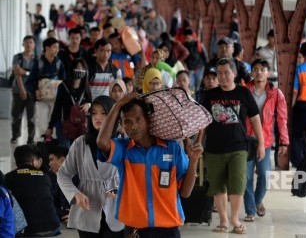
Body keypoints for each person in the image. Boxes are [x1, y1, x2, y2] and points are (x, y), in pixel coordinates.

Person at [96, 93, 203, 237]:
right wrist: (117, 105)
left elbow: (185, 192)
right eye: (127, 121)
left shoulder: (172, 148)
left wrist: (194, 161)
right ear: (121, 125)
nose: (133, 126)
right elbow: (102, 142)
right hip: (135, 231)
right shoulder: (124, 150)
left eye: (138, 119)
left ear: (148, 120)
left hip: (168, 230)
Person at [199, 58, 265, 234]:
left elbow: (255, 119)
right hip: (214, 147)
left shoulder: (243, 93)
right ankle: (223, 220)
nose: (222, 76)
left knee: (237, 184)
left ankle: (235, 219)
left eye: (226, 72)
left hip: (238, 147)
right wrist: (198, 142)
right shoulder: (210, 95)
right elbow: (204, 122)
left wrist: (262, 143)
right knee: (217, 185)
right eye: (219, 73)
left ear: (234, 74)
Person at [57, 96, 125, 237]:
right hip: (88, 211)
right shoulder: (80, 143)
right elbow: (63, 174)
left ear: (113, 116)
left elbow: (134, 177)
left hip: (117, 210)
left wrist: (118, 190)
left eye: (104, 113)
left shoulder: (123, 143)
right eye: (94, 113)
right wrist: (76, 194)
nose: (98, 117)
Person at [243, 59, 289, 222]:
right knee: (247, 177)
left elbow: (282, 119)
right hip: (246, 140)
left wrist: (284, 141)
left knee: (264, 175)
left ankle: (257, 201)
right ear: (252, 73)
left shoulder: (276, 94)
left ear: (268, 73)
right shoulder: (244, 90)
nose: (259, 72)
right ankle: (250, 211)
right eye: (255, 69)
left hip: (266, 140)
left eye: (262, 69)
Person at [4, 145, 61, 237]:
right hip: (52, 227)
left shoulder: (8, 177)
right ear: (34, 161)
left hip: (27, 230)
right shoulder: (45, 177)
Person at [45, 58, 92, 148]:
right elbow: (57, 107)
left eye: (83, 68)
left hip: (80, 126)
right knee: (65, 151)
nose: (80, 70)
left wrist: (88, 105)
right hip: (64, 125)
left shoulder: (86, 87)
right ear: (72, 69)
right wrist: (50, 126)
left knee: (78, 151)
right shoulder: (63, 86)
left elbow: (91, 102)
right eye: (78, 67)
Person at [11, 35, 37, 145]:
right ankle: (15, 136)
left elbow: (35, 74)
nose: (28, 44)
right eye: (26, 42)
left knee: (32, 117)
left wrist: (25, 72)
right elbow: (17, 73)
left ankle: (30, 139)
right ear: (23, 44)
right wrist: (22, 90)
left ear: (34, 45)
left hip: (32, 91)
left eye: (31, 42)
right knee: (16, 115)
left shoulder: (37, 59)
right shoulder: (17, 57)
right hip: (18, 90)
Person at [48, 146, 73, 224]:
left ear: (62, 160)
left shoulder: (80, 177)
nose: (49, 164)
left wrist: (76, 215)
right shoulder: (48, 177)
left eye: (51, 160)